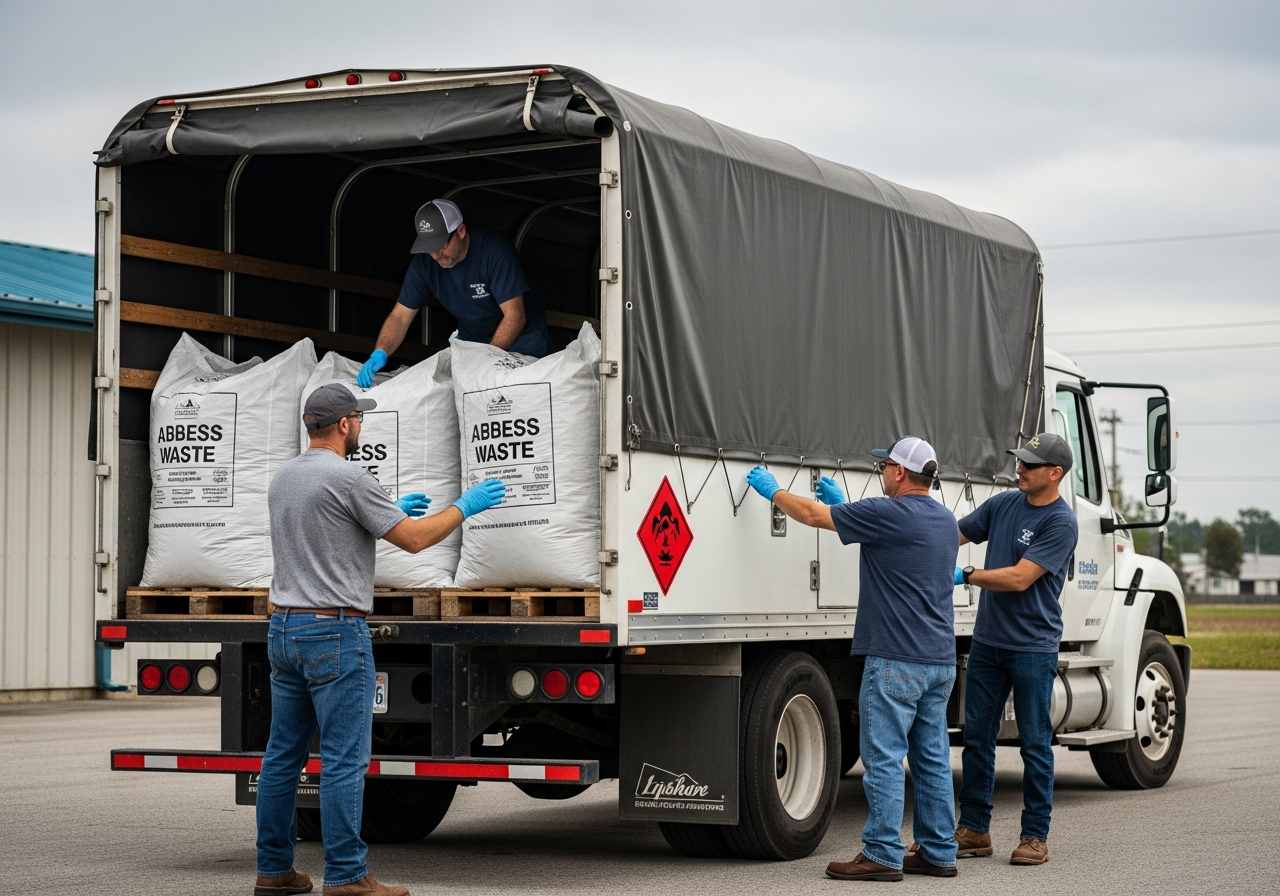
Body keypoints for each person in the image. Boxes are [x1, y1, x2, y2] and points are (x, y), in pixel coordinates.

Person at [253, 383, 506, 896]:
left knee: (283, 757)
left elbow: (327, 531)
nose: (360, 426)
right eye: (357, 419)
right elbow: (413, 541)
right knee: (345, 758)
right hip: (334, 632)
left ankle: (274, 871)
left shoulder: (285, 478)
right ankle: (346, 875)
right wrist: (463, 506)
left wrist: (387, 509)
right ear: (344, 424)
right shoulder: (349, 477)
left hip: (283, 629)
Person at [744, 437, 961, 882]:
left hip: (895, 658)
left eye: (885, 465)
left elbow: (810, 515)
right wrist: (848, 508)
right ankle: (939, 851)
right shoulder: (943, 519)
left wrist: (773, 491)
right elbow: (897, 544)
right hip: (939, 661)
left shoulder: (886, 513)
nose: (881, 471)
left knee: (882, 757)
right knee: (932, 757)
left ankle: (882, 853)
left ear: (900, 472)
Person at [949, 432, 1079, 867]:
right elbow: (955, 533)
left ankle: (1034, 836)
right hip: (988, 642)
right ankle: (973, 830)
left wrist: (966, 575)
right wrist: (907, 531)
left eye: (1029, 464)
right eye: (1020, 461)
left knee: (1035, 743)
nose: (1019, 468)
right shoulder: (1004, 505)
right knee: (977, 739)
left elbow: (1022, 578)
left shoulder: (1061, 522)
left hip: (1032, 647)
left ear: (1055, 473)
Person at [357, 199, 548, 387]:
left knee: (516, 395)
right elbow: (400, 316)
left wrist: (486, 359)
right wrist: (380, 352)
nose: (434, 255)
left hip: (523, 339)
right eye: (428, 247)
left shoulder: (495, 254)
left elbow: (515, 315)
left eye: (440, 245)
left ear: (461, 231)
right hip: (473, 340)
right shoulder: (425, 264)